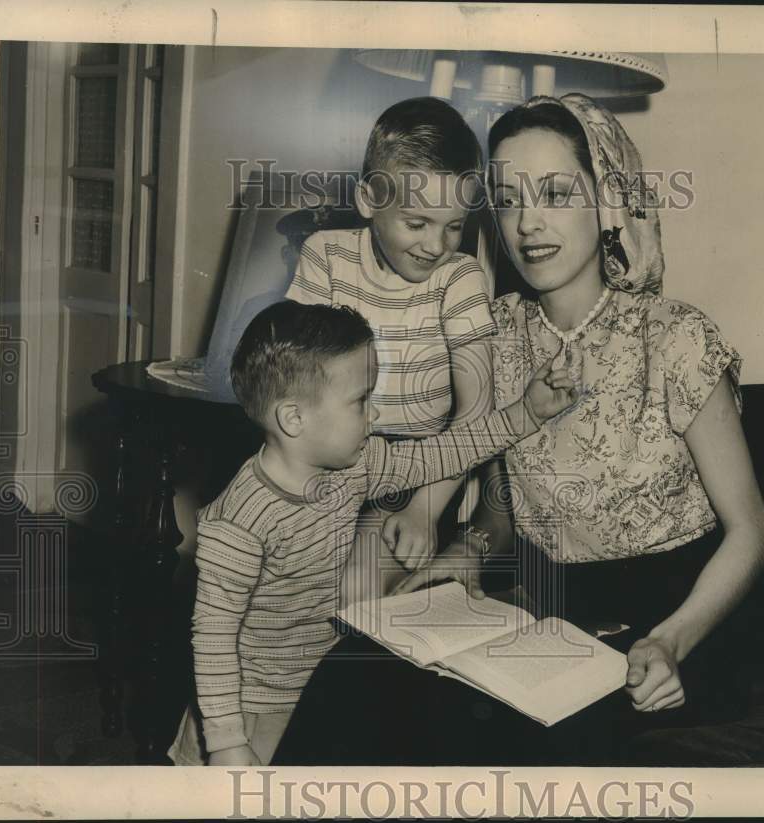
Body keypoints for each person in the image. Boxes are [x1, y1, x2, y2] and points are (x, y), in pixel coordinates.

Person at [274, 93, 764, 766]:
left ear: (607, 201)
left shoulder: (676, 335)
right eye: (508, 200)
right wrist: (471, 551)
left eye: (556, 193)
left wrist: (671, 642)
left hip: (677, 635)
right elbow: (506, 504)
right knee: (353, 676)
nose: (529, 223)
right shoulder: (496, 332)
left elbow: (752, 531)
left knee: (485, 739)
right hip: (549, 623)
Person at [165, 300, 576, 765]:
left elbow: (438, 454)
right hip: (244, 711)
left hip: (312, 683)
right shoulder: (236, 524)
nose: (373, 415)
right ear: (294, 419)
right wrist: (224, 742)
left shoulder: (354, 467)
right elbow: (213, 638)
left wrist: (526, 414)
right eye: (361, 401)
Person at [285, 96, 496, 605]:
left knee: (347, 593)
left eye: (453, 226)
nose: (436, 245)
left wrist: (425, 508)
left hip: (419, 480)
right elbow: (295, 379)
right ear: (368, 201)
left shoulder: (461, 278)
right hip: (326, 465)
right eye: (416, 223)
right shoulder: (326, 257)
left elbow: (478, 409)